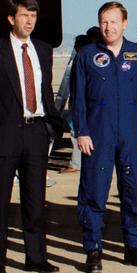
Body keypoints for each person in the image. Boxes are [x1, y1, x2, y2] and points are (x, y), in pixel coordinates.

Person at [0, 0, 66, 273]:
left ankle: (36, 257)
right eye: (25, 16)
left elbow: (45, 90)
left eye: (34, 16)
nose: (30, 21)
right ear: (11, 19)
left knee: (35, 201)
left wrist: (53, 126)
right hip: (4, 135)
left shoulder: (43, 49)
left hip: (36, 132)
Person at [73, 2, 137, 272]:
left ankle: (134, 247)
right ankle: (93, 248)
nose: (108, 27)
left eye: (113, 21)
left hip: (131, 133)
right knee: (94, 191)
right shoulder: (87, 55)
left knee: (134, 192)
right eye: (104, 22)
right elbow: (78, 99)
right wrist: (81, 131)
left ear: (125, 23)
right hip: (98, 134)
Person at [54, 32, 94, 173]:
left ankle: (76, 164)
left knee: (75, 132)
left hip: (79, 102)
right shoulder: (91, 59)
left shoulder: (79, 60)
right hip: (87, 102)